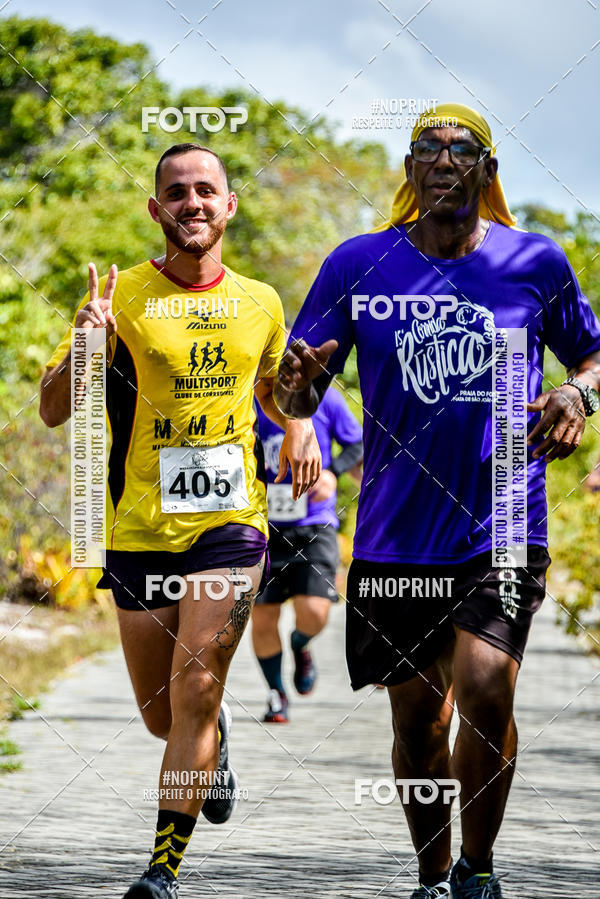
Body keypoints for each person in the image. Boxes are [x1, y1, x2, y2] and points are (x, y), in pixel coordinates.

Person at [273, 104, 600, 899]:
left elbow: (593, 354)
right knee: (418, 724)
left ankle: (478, 872)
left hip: (503, 519)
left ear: (487, 172)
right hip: (395, 531)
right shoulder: (358, 263)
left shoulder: (535, 262)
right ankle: (431, 874)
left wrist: (575, 393)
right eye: (428, 148)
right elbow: (299, 382)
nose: (444, 159)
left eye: (463, 150)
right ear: (410, 170)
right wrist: (292, 387)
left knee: (487, 689)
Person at [39, 143, 320, 899]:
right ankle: (215, 740)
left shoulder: (260, 300)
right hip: (136, 527)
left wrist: (300, 417)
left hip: (231, 521)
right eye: (177, 192)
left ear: (229, 207)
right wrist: (85, 349)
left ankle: (161, 871)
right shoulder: (119, 294)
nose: (192, 202)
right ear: (156, 209)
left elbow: (275, 396)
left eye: (207, 190)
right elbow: (54, 408)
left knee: (197, 679)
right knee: (166, 716)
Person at [252, 385, 362, 722]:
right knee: (262, 616)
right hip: (262, 525)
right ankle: (276, 694)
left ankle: (301, 644)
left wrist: (332, 473)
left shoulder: (324, 397)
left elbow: (357, 443)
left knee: (315, 612)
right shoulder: (246, 394)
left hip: (314, 524)